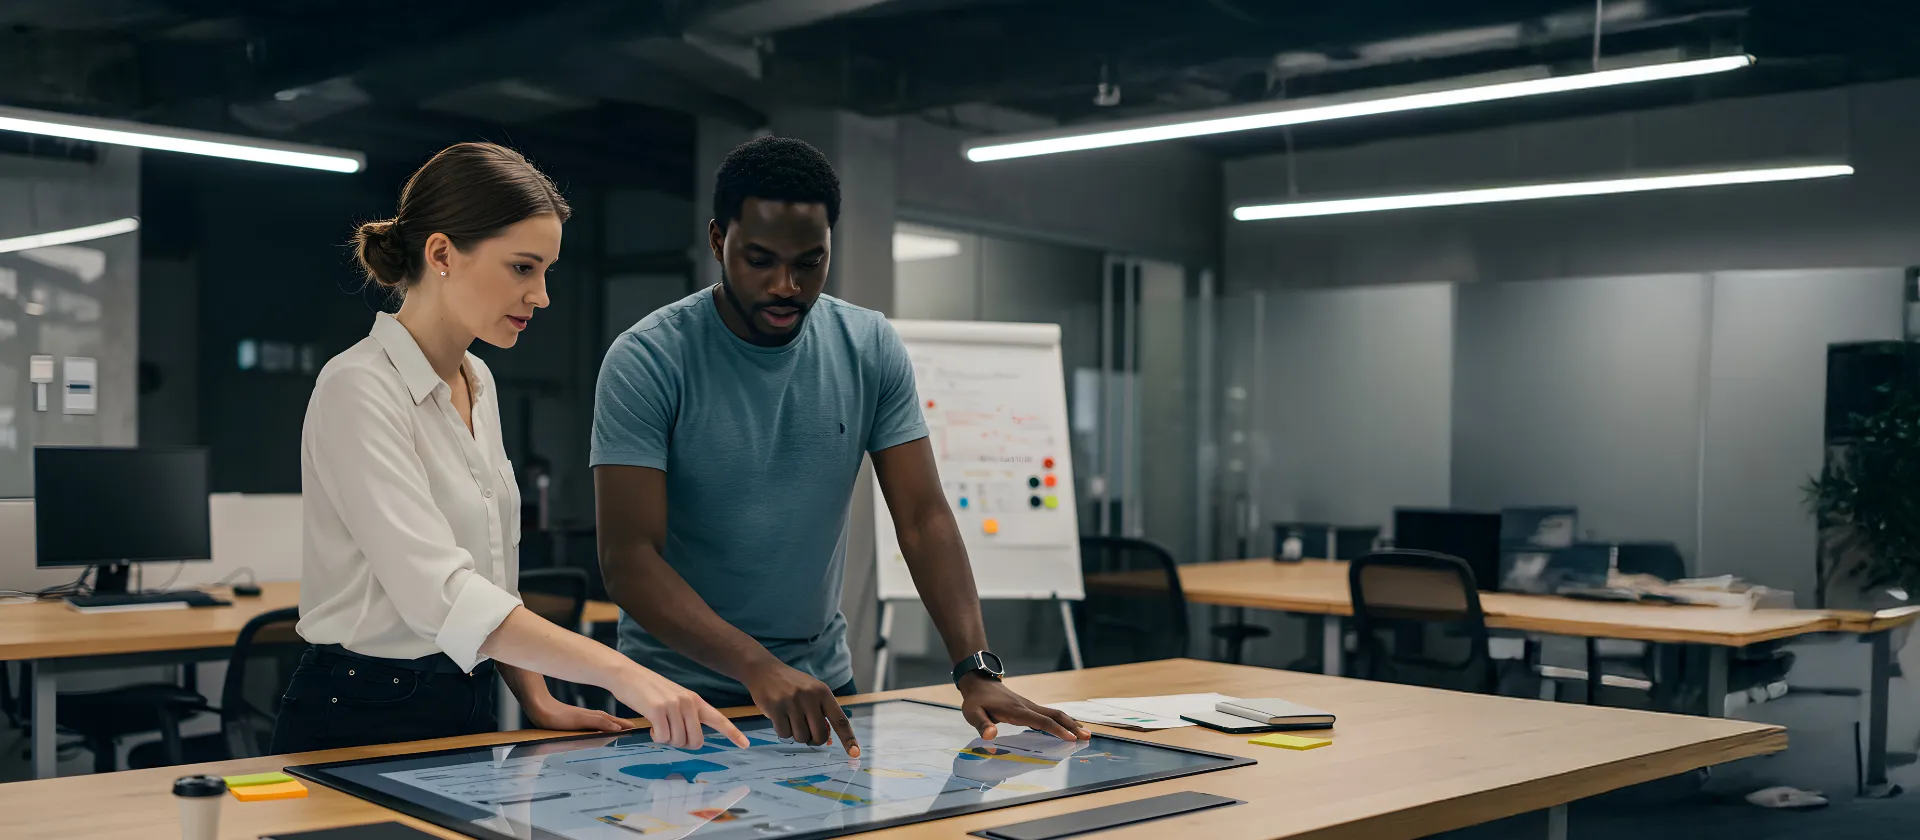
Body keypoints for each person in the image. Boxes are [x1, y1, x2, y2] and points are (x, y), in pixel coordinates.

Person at [592, 136, 1090, 757]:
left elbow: (923, 517)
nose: (785, 285)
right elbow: (629, 558)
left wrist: (976, 668)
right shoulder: (648, 358)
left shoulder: (868, 345)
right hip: (674, 695)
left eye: (809, 262)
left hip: (823, 687)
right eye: (760, 259)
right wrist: (757, 667)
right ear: (719, 242)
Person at [273, 142, 746, 755]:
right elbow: (443, 596)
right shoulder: (358, 387)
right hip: (360, 712)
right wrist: (626, 675)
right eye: (523, 268)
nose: (542, 295)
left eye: (546, 271)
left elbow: (488, 577)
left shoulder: (478, 380)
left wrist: (537, 696)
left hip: (465, 700)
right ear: (441, 253)